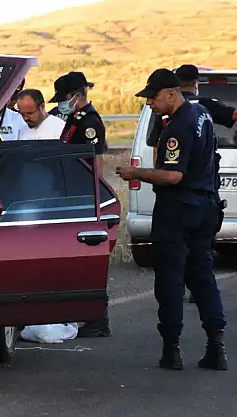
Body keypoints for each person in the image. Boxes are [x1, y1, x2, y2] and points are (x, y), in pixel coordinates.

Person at [115, 68, 228, 371]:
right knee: (202, 275)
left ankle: (172, 349)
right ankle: (216, 346)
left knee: (170, 278)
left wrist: (135, 172)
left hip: (179, 211)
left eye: (153, 97)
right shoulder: (201, 114)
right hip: (205, 207)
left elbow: (173, 175)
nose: (149, 102)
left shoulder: (177, 127)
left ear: (171, 93)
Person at [147, 65, 236, 304]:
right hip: (205, 189)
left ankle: (176, 302)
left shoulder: (167, 113)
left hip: (174, 195)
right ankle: (198, 292)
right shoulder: (205, 106)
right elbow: (233, 116)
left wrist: (156, 174)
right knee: (201, 255)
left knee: (171, 262)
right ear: (196, 83)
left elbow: (157, 150)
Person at [50, 71, 111, 337]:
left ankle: (99, 320)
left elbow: (94, 163)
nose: (60, 104)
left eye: (63, 99)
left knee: (87, 260)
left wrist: (92, 199)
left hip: (81, 197)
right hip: (67, 194)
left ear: (76, 96)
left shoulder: (90, 122)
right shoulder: (71, 117)